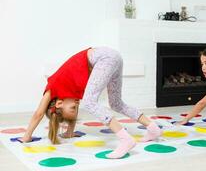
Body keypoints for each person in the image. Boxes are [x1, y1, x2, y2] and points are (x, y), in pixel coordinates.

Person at [19, 47, 162, 158]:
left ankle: (125, 139)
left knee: (89, 101)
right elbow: (75, 106)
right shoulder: (71, 93)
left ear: (59, 104)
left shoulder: (52, 88)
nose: (76, 105)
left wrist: (27, 136)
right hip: (113, 57)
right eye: (75, 108)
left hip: (104, 58)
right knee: (116, 103)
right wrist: (69, 132)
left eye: (73, 108)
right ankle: (152, 127)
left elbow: (38, 114)